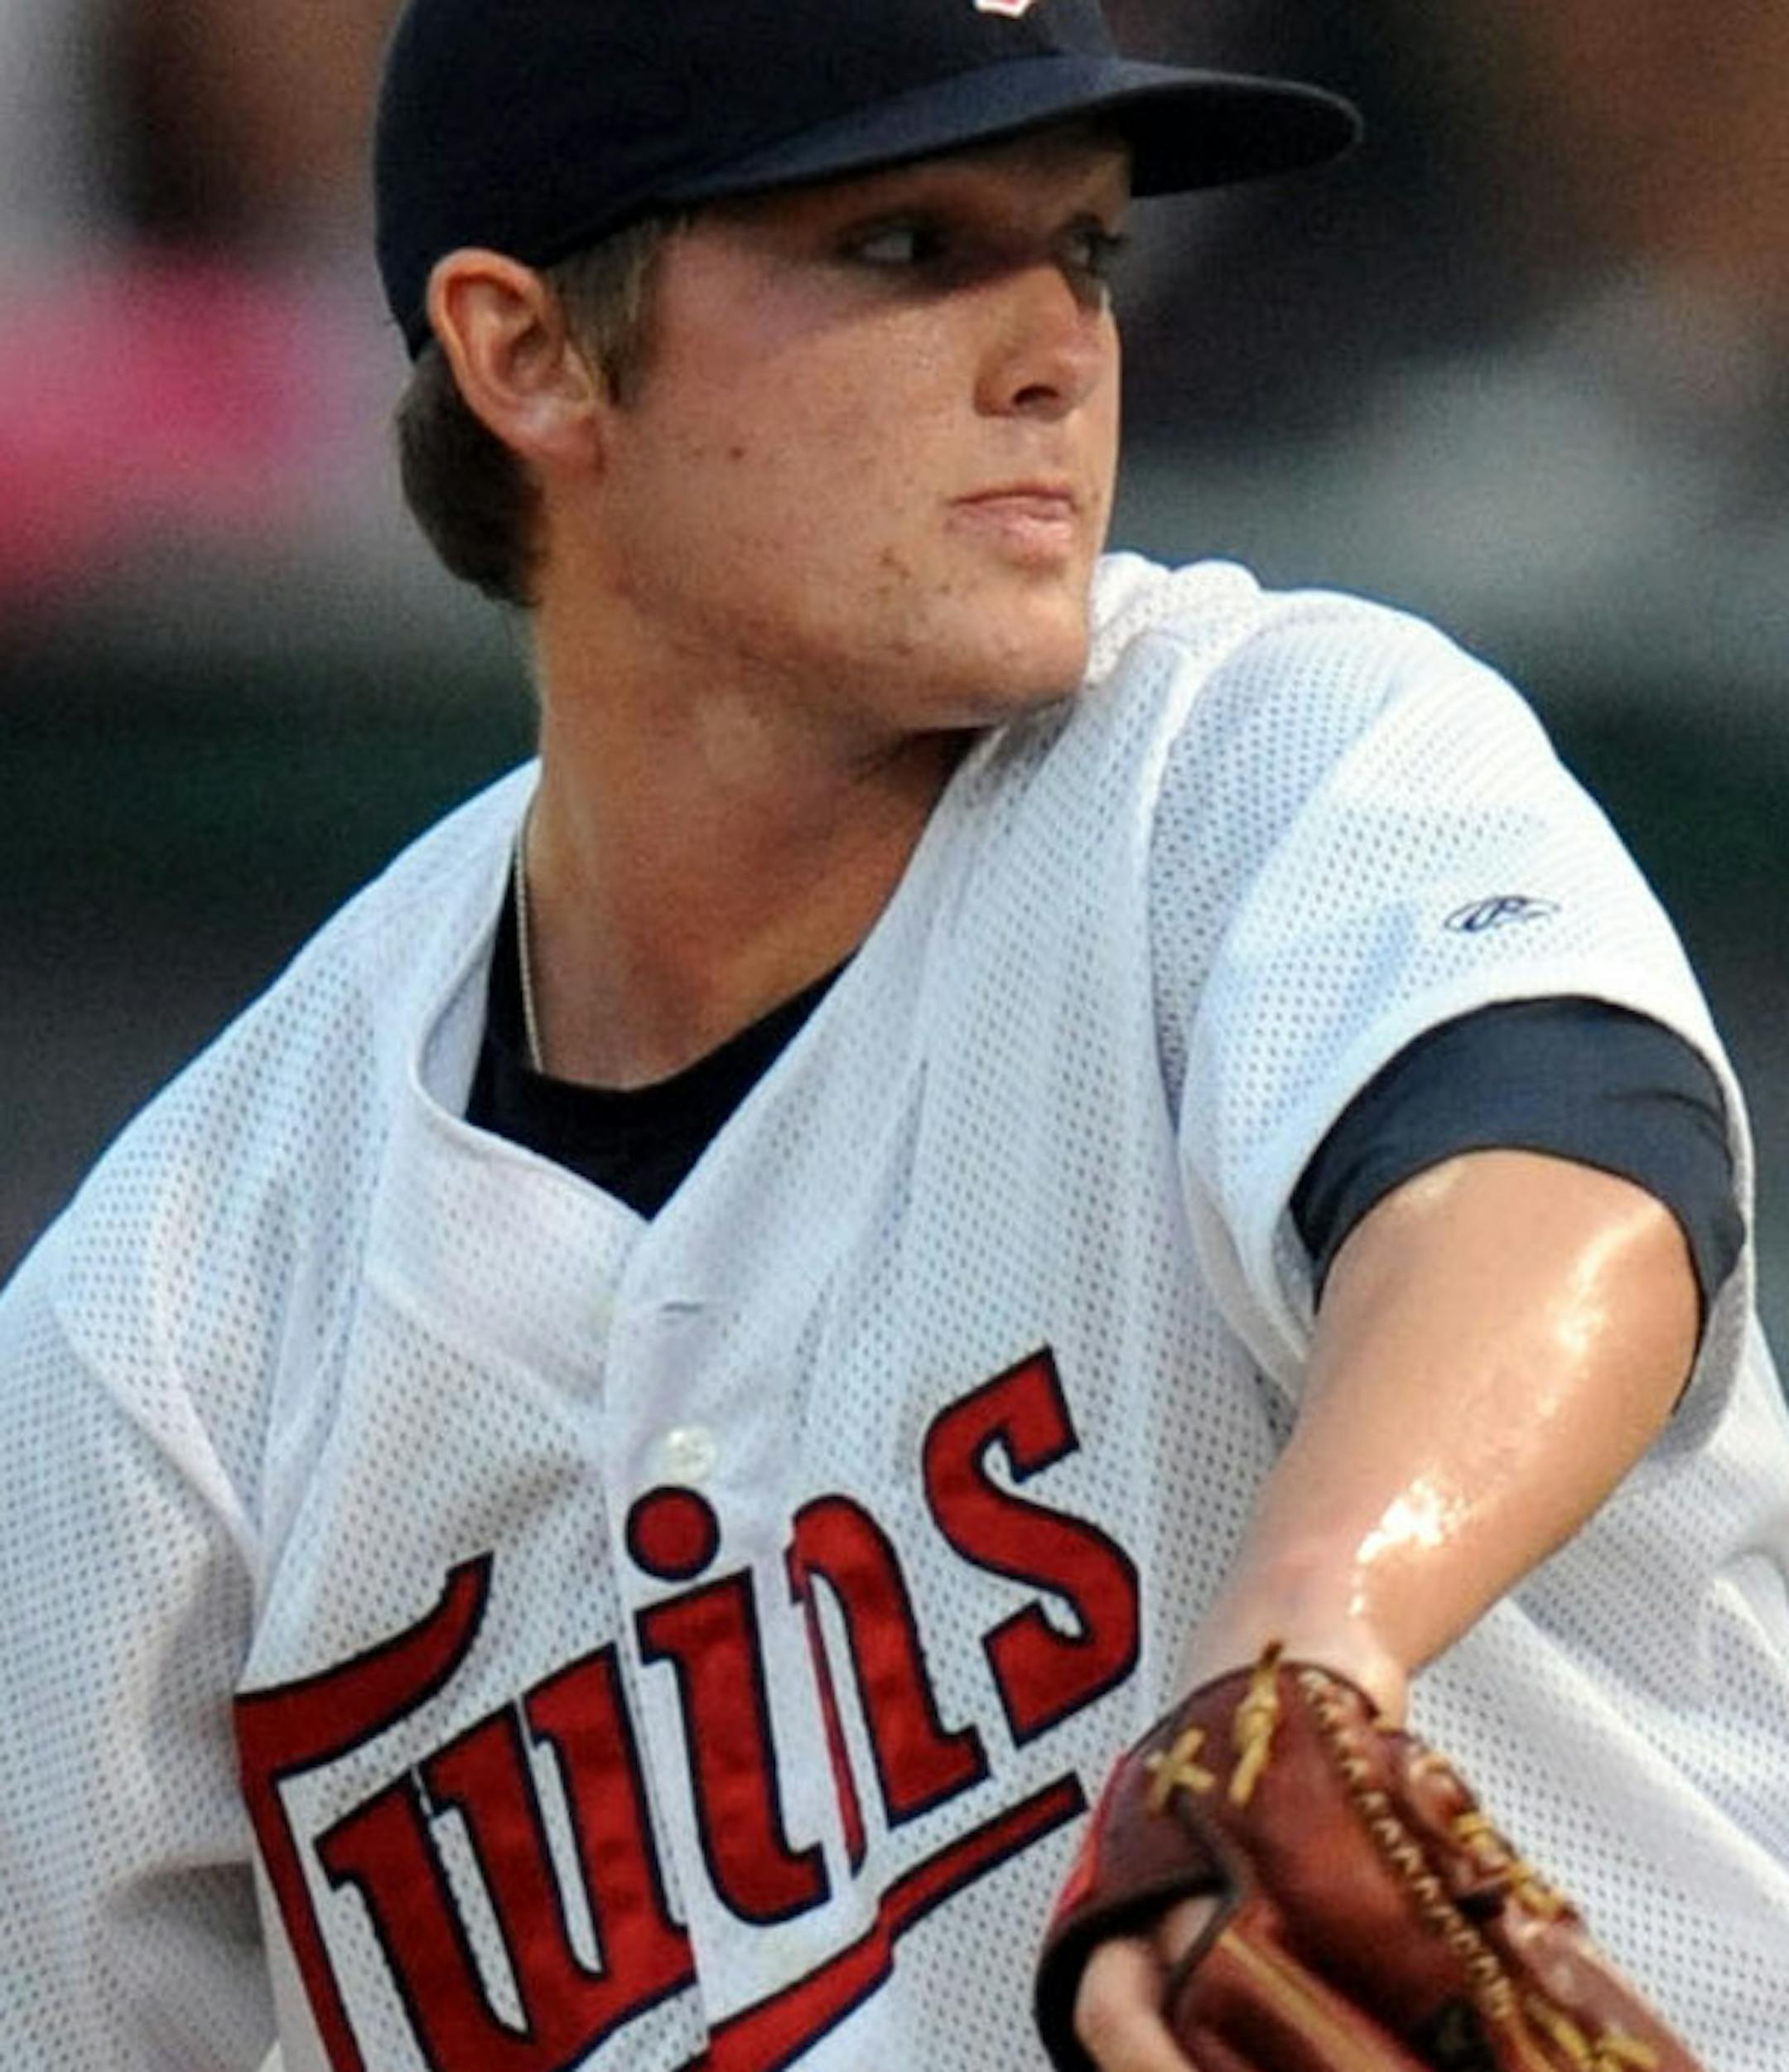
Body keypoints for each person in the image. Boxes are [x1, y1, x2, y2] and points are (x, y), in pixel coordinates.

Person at [2, 2, 1786, 2069]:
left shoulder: (1258, 756)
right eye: (907, 247)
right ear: (528, 353)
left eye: (1086, 250)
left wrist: (1316, 1641)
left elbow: (1564, 1163)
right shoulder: (176, 1338)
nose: (1056, 350)